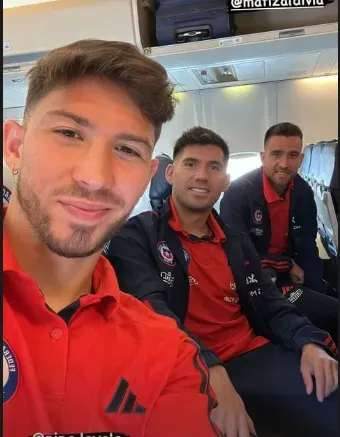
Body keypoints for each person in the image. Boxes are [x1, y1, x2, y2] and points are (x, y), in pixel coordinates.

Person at [3, 41, 225, 437]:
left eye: (126, 149)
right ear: (15, 147)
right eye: (69, 133)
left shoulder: (166, 353)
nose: (95, 176)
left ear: (149, 173)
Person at [106, 126, 338, 437]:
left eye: (214, 167)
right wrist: (209, 368)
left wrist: (308, 341)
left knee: (330, 395)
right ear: (171, 173)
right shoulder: (137, 237)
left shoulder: (235, 240)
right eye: (191, 164)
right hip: (187, 367)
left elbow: (269, 302)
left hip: (251, 352)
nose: (202, 176)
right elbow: (153, 316)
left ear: (225, 181)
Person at [219, 122, 338, 343]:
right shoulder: (239, 194)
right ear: (263, 157)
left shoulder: (302, 191)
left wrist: (315, 286)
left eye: (292, 155)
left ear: (301, 160)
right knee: (334, 313)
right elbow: (238, 256)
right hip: (259, 280)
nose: (284, 163)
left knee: (331, 289)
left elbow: (307, 246)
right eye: (276, 154)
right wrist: (288, 265)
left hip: (287, 269)